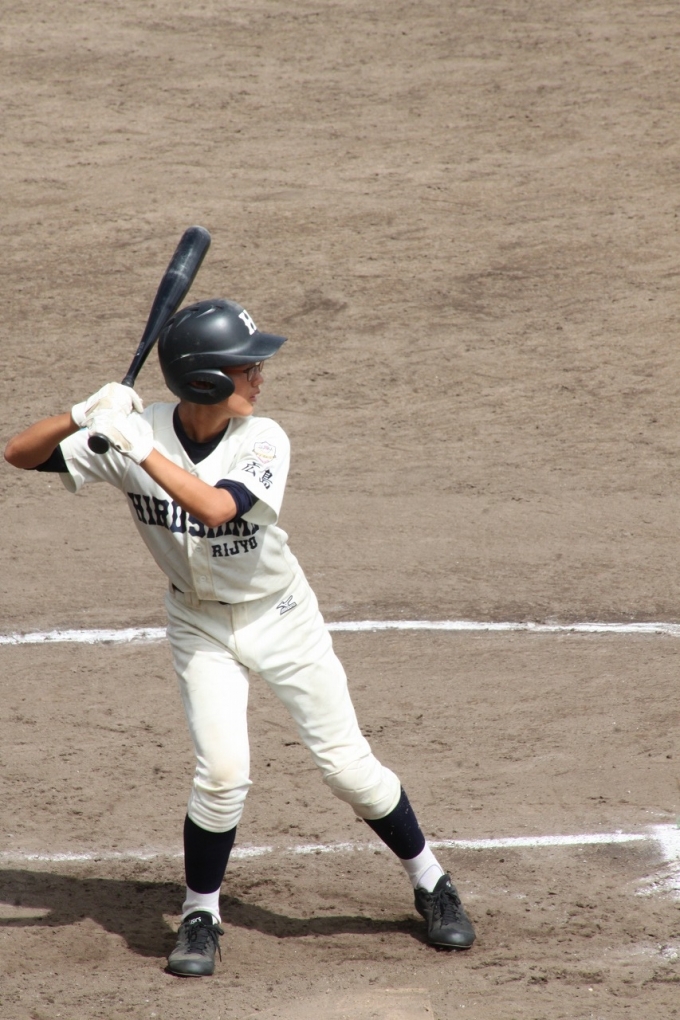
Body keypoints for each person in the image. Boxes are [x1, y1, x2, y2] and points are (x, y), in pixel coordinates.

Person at [4, 298, 475, 976]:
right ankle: (200, 914)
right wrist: (80, 415)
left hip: (281, 616)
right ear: (204, 379)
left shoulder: (262, 438)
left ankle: (431, 880)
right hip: (198, 623)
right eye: (247, 367)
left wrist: (137, 448)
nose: (260, 376)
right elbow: (19, 454)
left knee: (349, 769)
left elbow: (217, 507)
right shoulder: (135, 430)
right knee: (222, 774)